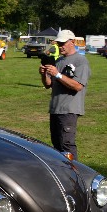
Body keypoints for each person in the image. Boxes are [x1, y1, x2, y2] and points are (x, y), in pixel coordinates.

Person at [38, 29, 90, 158]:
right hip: (55, 109)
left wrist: (58, 74)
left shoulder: (80, 61)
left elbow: (78, 86)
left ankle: (75, 175)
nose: (60, 47)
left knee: (67, 146)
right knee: (56, 146)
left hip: (68, 110)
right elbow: (48, 84)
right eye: (58, 44)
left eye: (62, 43)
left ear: (72, 42)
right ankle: (63, 174)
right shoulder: (59, 61)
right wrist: (44, 74)